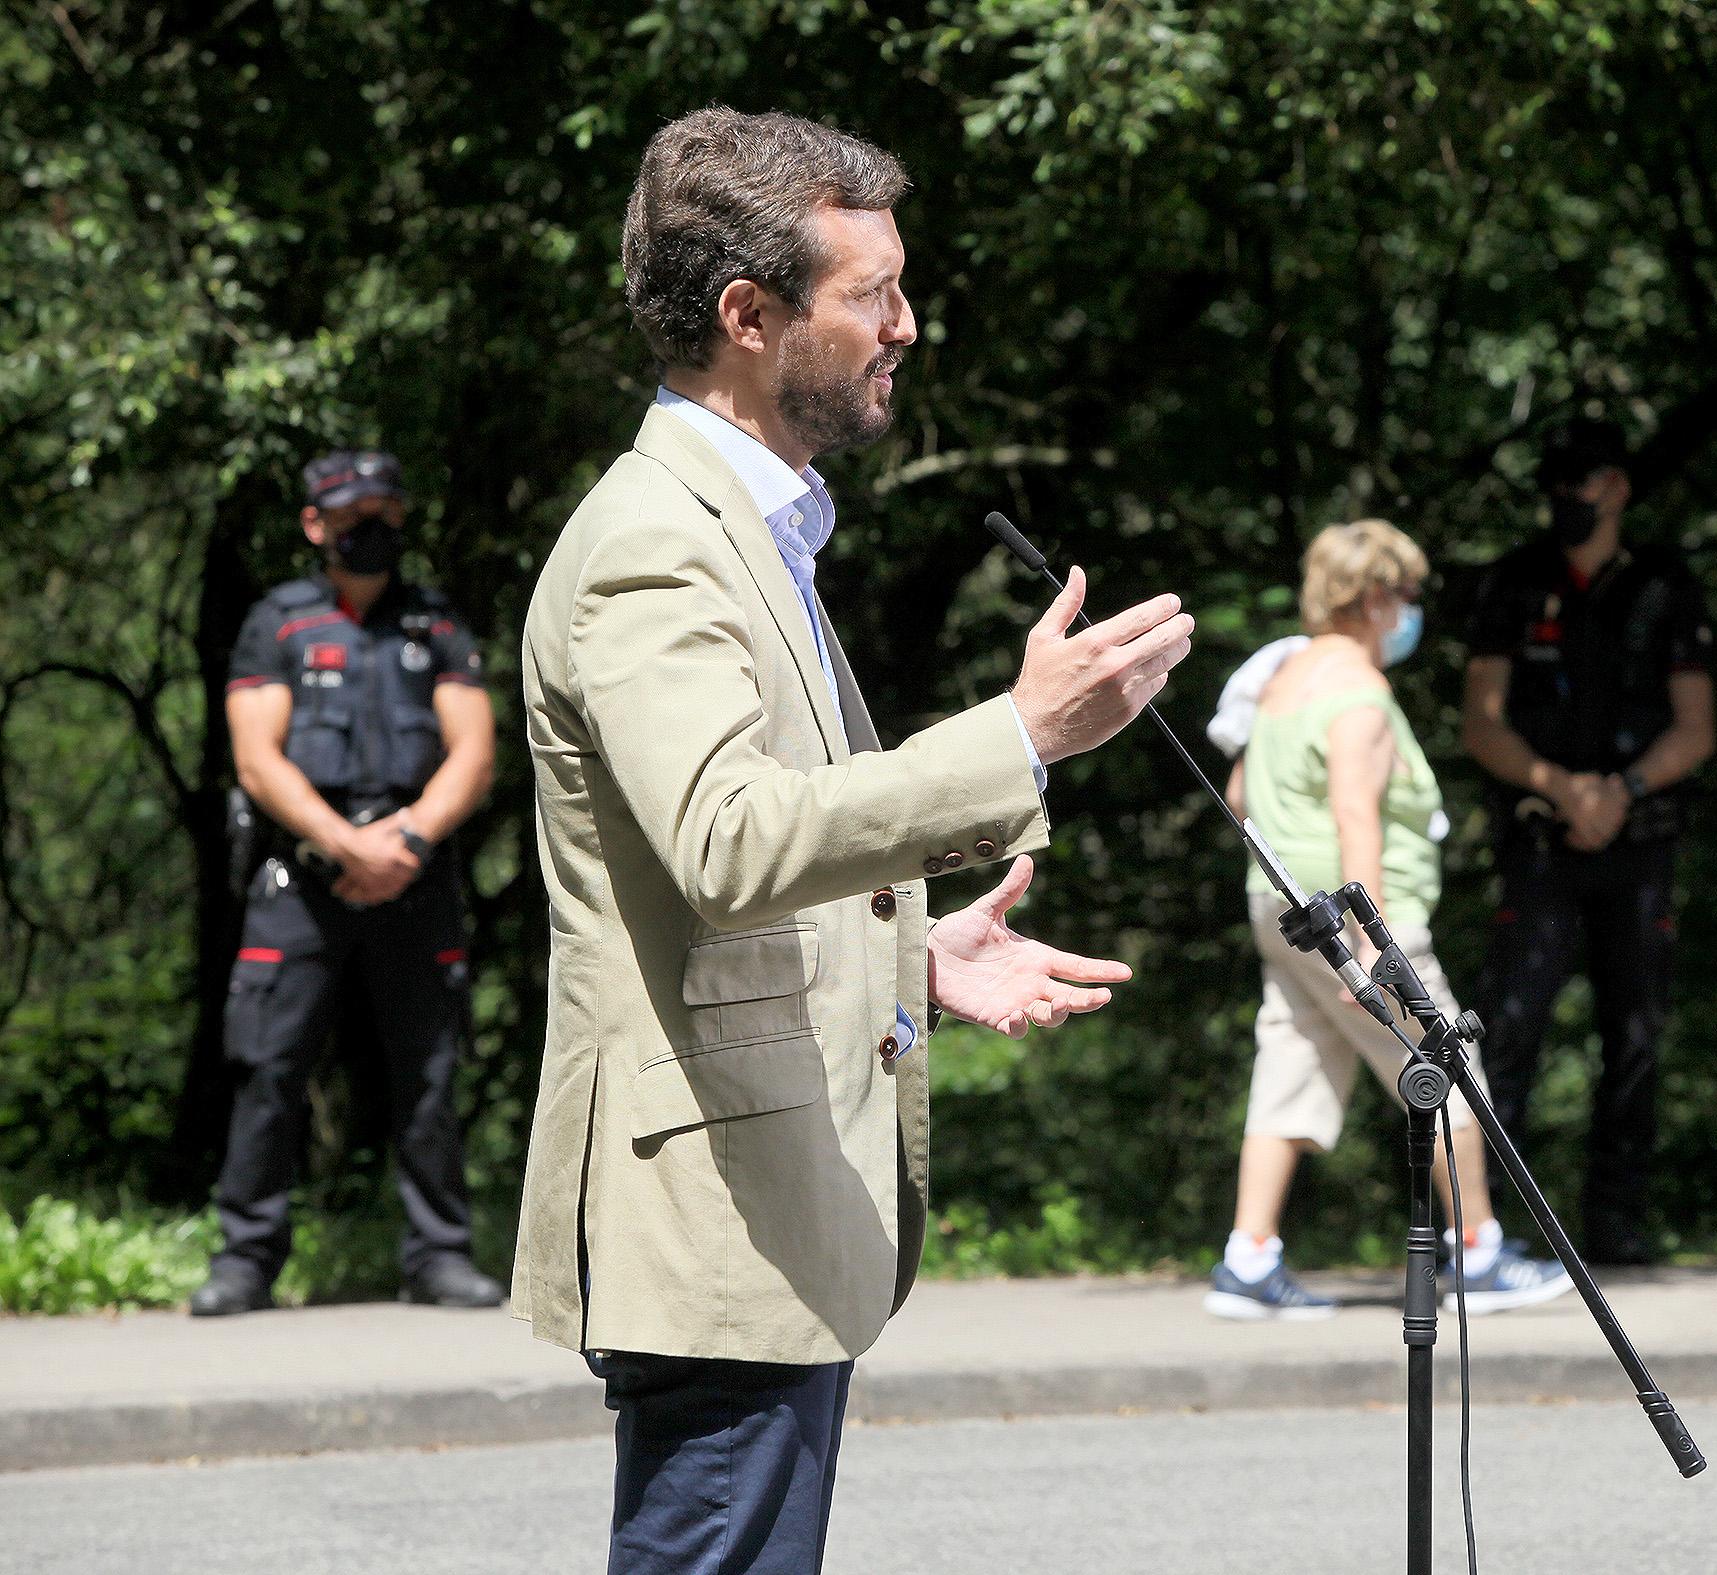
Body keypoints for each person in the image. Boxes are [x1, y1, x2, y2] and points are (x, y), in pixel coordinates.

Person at [511, 109, 1195, 1574]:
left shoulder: (755, 525)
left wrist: (910, 941)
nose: (906, 322)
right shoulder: (654, 538)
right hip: (714, 1215)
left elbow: (727, 865)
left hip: (764, 1198)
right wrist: (1018, 733)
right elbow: (727, 837)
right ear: (748, 317)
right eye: (869, 293)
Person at [1204, 522, 1572, 1321]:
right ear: (1375, 598)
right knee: (1444, 1065)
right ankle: (1478, 1252)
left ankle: (1249, 1258)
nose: (1411, 613)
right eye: (1407, 596)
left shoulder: (1282, 679)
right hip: (1357, 918)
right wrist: (1374, 942)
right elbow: (1354, 813)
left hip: (1280, 902)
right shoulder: (1359, 696)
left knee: (1292, 1061)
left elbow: (1241, 797)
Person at [190, 449, 503, 1316]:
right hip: (302, 872)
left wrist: (405, 837)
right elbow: (257, 760)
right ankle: (245, 1258)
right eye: (350, 512)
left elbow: (473, 751)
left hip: (416, 868)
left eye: (383, 511)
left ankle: (438, 1255)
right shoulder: (277, 623)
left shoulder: (433, 622)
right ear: (313, 523)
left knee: (432, 1069)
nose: (369, 528)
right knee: (267, 1065)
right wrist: (342, 844)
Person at [1460, 421, 1716, 1263]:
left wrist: (1622, 789)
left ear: (1619, 489)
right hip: (1541, 839)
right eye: (1556, 483)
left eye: (1585, 481)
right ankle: (1488, 1225)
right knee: (1508, 1030)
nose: (1567, 498)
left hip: (1638, 841)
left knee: (1635, 1031)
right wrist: (1560, 786)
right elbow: (1482, 722)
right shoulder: (1514, 581)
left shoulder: (1664, 585)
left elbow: (1696, 727)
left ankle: (1618, 1224)